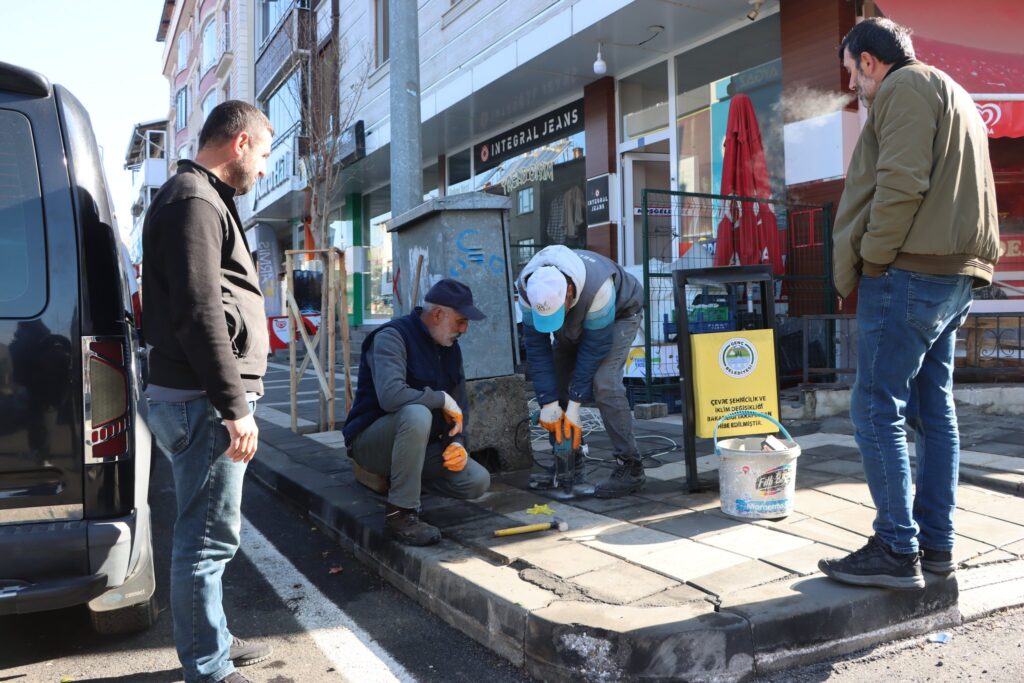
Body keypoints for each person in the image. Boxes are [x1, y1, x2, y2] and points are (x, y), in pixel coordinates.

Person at [818, 18, 999, 590]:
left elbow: (900, 184)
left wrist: (872, 259)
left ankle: (898, 549)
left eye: (853, 72)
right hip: (952, 276)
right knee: (931, 409)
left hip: (909, 272)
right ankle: (935, 547)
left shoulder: (904, 88)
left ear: (870, 61)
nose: (855, 86)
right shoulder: (956, 92)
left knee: (875, 407)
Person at [142, 101, 274, 683]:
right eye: (265, 154)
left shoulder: (195, 197)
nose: (266, 169)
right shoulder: (194, 200)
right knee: (205, 540)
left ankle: (210, 638)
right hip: (202, 402)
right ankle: (210, 668)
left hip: (196, 399)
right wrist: (234, 407)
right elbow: (199, 314)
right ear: (239, 143)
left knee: (208, 532)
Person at [342, 279, 492, 546]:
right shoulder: (391, 337)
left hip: (418, 446)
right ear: (437, 314)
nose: (465, 329)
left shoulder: (449, 347)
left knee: (477, 481)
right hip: (371, 442)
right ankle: (401, 514)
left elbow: (458, 407)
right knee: (417, 413)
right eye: (460, 321)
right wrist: (439, 398)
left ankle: (405, 479)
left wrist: (457, 443)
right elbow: (391, 397)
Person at [517, 245, 646, 498]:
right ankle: (568, 462)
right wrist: (548, 402)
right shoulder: (529, 289)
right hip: (577, 313)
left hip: (620, 313)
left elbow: (593, 350)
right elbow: (536, 348)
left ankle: (631, 465)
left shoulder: (600, 290)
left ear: (568, 293)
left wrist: (575, 406)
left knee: (605, 382)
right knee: (557, 378)